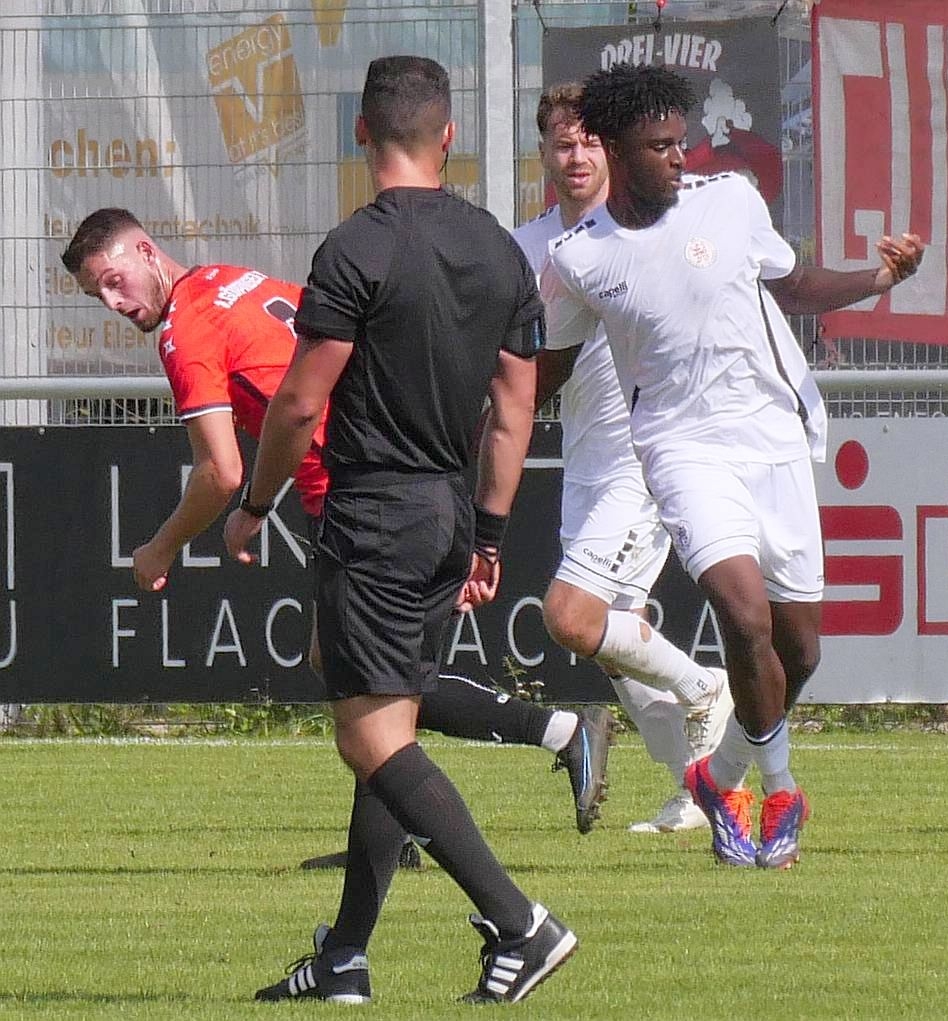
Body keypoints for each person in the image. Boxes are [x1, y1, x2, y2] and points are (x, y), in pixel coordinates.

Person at [58, 206, 615, 850]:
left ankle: (558, 736)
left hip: (357, 491)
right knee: (361, 669)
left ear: (145, 251)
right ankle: (392, 842)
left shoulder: (186, 328)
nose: (113, 302)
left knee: (367, 676)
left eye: (114, 280)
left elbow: (219, 470)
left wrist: (162, 548)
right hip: (408, 467)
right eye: (98, 294)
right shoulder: (230, 279)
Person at [223, 55, 573, 1003]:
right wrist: (488, 536)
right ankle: (344, 957)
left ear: (360, 134)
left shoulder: (357, 248)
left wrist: (254, 503)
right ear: (449, 136)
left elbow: (300, 402)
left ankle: (521, 923)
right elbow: (514, 410)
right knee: (383, 710)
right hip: (448, 512)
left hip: (374, 511)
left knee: (372, 737)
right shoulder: (499, 248)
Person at [542, 63, 923, 868]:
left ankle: (717, 778)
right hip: (680, 450)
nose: (679, 157)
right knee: (743, 618)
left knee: (798, 653)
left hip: (774, 436)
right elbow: (542, 369)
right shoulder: (579, 257)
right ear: (615, 149)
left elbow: (795, 286)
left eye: (681, 141)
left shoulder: (730, 199)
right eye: (660, 146)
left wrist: (879, 277)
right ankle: (780, 793)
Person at [518, 82, 733, 834]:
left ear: (610, 150)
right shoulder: (527, 249)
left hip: (641, 463)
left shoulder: (644, 233)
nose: (576, 156)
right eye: (562, 143)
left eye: (588, 142)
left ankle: (704, 687)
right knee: (617, 641)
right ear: (543, 154)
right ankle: (699, 791)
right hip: (584, 463)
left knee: (575, 618)